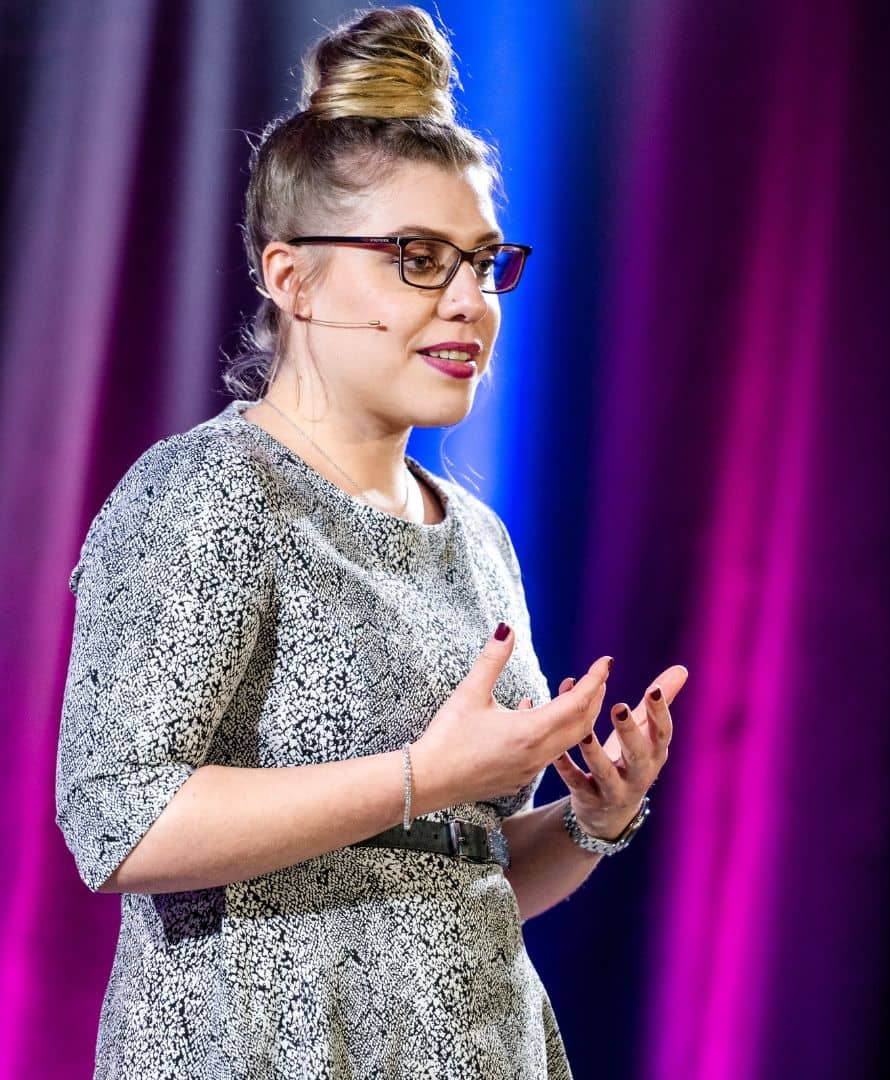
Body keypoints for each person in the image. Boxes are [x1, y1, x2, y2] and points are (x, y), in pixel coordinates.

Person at [54, 6, 685, 1078]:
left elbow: (450, 878)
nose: (470, 302)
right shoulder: (210, 492)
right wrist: (419, 776)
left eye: (485, 264)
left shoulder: (476, 536)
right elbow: (116, 823)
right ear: (290, 278)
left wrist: (588, 820)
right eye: (418, 258)